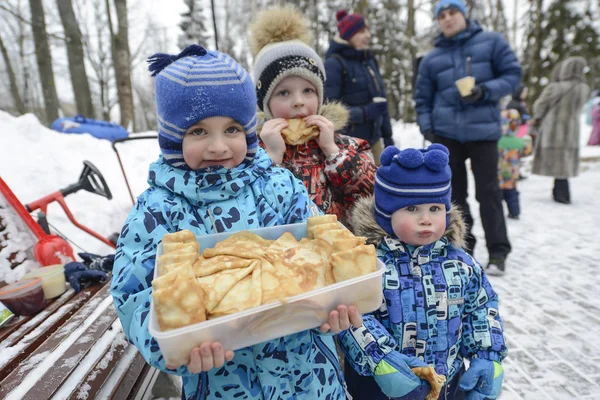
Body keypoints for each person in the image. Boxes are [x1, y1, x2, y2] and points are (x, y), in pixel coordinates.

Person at [110, 44, 362, 399]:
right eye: (198, 131)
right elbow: (133, 293)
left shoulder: (279, 185)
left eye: (231, 130)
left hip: (310, 379)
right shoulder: (158, 211)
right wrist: (178, 343)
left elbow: (321, 251)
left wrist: (335, 303)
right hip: (222, 383)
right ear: (171, 136)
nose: (218, 146)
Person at [339, 144, 507, 400]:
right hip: (383, 384)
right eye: (412, 209)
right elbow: (353, 317)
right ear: (386, 215)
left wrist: (487, 356)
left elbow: (482, 308)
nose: (426, 219)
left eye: (435, 209)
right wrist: (380, 360)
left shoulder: (463, 264)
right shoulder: (368, 264)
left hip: (448, 385)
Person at [414, 0, 522, 276]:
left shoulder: (491, 42)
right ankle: (463, 247)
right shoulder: (432, 58)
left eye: (453, 13)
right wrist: (428, 128)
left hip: (484, 132)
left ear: (463, 15)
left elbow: (512, 75)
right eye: (443, 15)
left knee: (489, 193)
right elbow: (422, 99)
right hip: (447, 135)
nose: (448, 19)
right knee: (454, 196)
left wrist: (485, 90)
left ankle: (498, 252)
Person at [250, 6, 377, 227]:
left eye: (308, 91)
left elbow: (371, 194)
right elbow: (247, 206)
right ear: (266, 104)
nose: (298, 101)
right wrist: (272, 157)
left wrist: (333, 153)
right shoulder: (252, 152)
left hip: (336, 247)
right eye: (284, 92)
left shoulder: (345, 146)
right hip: (281, 251)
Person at [324, 9, 394, 165]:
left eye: (367, 30)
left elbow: (382, 101)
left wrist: (388, 137)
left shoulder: (369, 60)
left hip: (375, 141)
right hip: (349, 145)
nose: (368, 35)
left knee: (380, 186)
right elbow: (328, 111)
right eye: (361, 31)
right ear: (348, 35)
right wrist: (364, 113)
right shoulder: (334, 64)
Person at [531, 56, 590, 204]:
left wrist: (538, 117)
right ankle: (561, 191)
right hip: (572, 130)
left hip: (554, 129)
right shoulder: (584, 88)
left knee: (557, 161)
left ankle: (560, 193)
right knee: (565, 160)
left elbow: (540, 105)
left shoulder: (556, 87)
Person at [498, 109, 532, 219]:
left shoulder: (497, 141)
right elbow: (527, 152)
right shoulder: (520, 141)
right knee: (512, 194)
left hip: (497, 174)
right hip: (512, 175)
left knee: (496, 196)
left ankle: (497, 214)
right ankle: (514, 212)